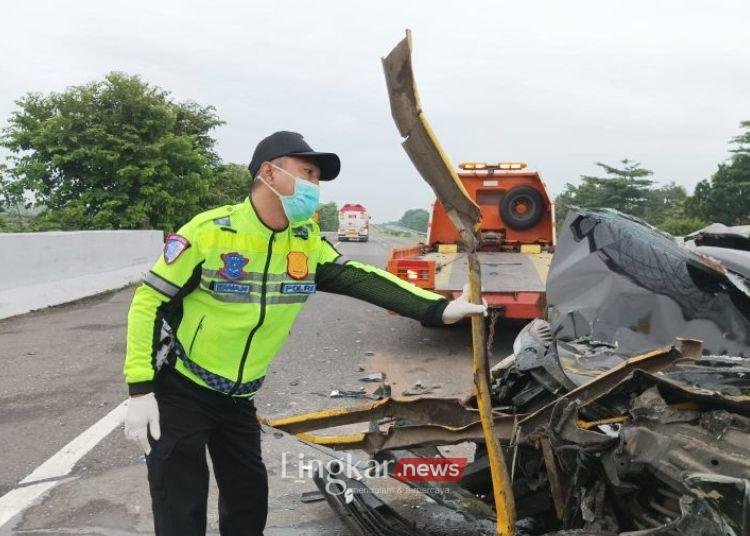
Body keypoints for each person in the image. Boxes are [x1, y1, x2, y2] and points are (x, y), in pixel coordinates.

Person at [123, 131, 486, 536]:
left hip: (239, 398)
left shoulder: (304, 240)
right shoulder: (211, 231)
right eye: (307, 172)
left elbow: (358, 278)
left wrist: (438, 309)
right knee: (180, 507)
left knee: (247, 504)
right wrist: (141, 389)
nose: (315, 185)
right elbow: (148, 301)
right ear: (269, 173)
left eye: (318, 178)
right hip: (184, 389)